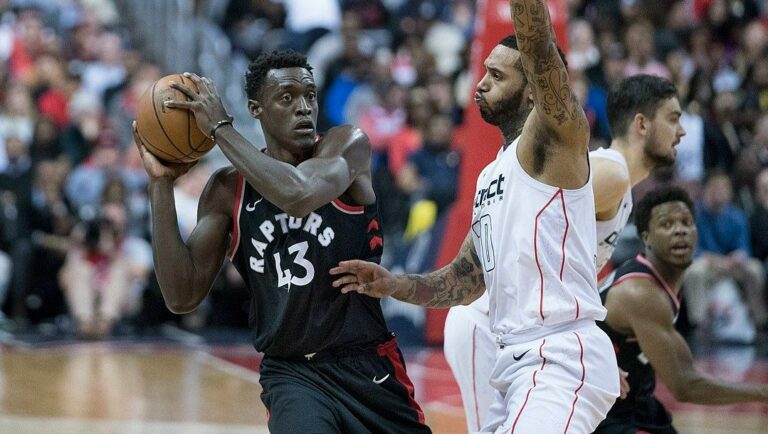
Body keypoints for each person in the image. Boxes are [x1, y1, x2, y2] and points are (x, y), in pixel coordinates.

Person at [331, 1, 620, 432]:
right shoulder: (490, 175)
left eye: (497, 76)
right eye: (484, 71)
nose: (480, 83)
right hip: (512, 361)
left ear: (533, 89)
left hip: (561, 355)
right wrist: (393, 284)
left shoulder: (553, 142)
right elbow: (464, 279)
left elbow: (540, 47)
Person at [133, 50, 430, 434]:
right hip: (293, 374)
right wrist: (160, 185)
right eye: (287, 97)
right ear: (256, 109)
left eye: (310, 95)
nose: (303, 107)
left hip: (367, 366)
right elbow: (181, 295)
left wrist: (221, 129)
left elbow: (298, 194)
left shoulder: (346, 144)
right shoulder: (227, 189)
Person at [442, 73, 687, 431]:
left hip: (517, 330)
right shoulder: (611, 173)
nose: (681, 131)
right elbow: (526, 223)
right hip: (490, 319)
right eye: (673, 118)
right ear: (642, 124)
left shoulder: (618, 185)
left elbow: (564, 273)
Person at [595, 186, 768, 433]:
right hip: (601, 409)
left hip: (636, 402)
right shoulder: (641, 293)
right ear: (647, 238)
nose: (680, 230)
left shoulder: (659, 282)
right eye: (667, 224)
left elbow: (687, 369)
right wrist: (762, 393)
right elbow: (685, 386)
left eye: (686, 222)